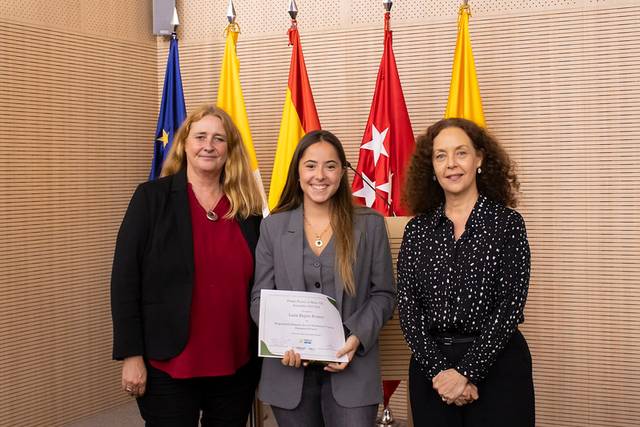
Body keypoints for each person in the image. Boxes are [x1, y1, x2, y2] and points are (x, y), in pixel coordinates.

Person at [110, 105, 264, 427]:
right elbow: (125, 280)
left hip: (236, 365)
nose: (209, 145)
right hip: (169, 363)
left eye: (219, 139)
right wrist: (131, 355)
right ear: (183, 144)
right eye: (200, 136)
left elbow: (264, 281)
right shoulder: (152, 199)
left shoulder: (248, 209)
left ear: (229, 150)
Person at [249, 130, 396, 427]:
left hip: (354, 370)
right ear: (298, 172)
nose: (320, 175)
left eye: (330, 166)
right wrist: (282, 340)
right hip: (288, 373)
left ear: (342, 172)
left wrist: (356, 337)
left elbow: (384, 295)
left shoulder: (370, 226)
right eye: (310, 165)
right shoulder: (273, 228)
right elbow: (259, 299)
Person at [397, 118, 534, 427]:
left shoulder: (507, 224)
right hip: (432, 373)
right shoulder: (417, 231)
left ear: (479, 158)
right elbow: (408, 310)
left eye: (461, 153)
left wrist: (467, 373)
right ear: (430, 166)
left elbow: (510, 307)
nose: (451, 164)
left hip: (499, 367)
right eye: (440, 155)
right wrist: (442, 374)